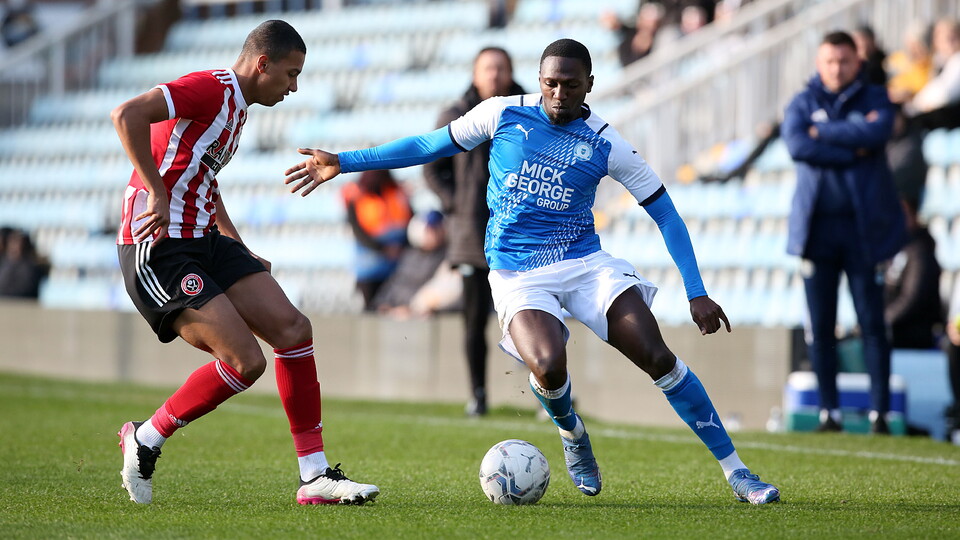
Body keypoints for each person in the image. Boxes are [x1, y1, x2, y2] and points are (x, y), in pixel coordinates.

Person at [286, 38, 780, 505]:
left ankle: (737, 471)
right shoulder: (502, 112)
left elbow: (666, 213)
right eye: (551, 83)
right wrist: (345, 161)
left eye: (570, 84)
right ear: (540, 80)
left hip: (584, 264)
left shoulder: (607, 142)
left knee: (656, 355)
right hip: (519, 272)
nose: (559, 93)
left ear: (590, 83)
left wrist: (697, 292)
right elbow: (428, 145)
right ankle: (571, 432)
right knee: (547, 363)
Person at [111, 20, 377, 506]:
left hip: (204, 237)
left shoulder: (236, 110)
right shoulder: (210, 89)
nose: (294, 87)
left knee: (294, 329)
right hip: (158, 244)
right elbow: (126, 114)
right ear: (263, 64)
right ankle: (146, 438)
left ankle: (315, 478)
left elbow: (205, 180)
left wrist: (238, 245)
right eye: (291, 74)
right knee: (244, 361)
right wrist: (155, 190)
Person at [782, 31, 906, 434]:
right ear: (819, 64)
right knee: (822, 325)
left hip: (864, 230)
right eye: (830, 61)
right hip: (817, 232)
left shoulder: (875, 98)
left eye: (844, 61)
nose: (837, 68)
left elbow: (877, 133)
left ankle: (880, 413)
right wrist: (853, 145)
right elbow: (799, 146)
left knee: (872, 321)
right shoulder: (802, 102)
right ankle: (828, 412)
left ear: (858, 63)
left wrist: (826, 134)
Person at [423, 46, 525, 416]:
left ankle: (546, 394)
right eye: (488, 68)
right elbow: (432, 169)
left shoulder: (527, 111)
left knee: (529, 315)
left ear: (511, 72)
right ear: (475, 72)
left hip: (518, 234)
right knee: (473, 321)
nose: (495, 74)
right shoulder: (456, 115)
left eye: (501, 67)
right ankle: (478, 394)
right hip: (471, 236)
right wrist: (456, 204)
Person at [341, 169, 412, 311]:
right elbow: (357, 231)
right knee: (371, 305)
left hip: (397, 259)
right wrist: (382, 248)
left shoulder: (397, 192)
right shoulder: (357, 197)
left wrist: (400, 246)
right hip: (370, 259)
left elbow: (410, 221)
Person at [372, 210, 461, 318]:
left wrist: (413, 308)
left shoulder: (450, 257)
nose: (436, 233)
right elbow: (395, 284)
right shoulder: (409, 256)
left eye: (438, 228)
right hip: (398, 314)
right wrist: (384, 304)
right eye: (431, 229)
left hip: (425, 317)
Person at [883, 198, 942, 349]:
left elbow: (912, 297)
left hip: (913, 333)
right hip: (893, 329)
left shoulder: (920, 250)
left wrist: (885, 319)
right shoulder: (893, 248)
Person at [905, 18, 960, 127]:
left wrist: (919, 103)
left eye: (953, 38)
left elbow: (946, 95)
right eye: (943, 39)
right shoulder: (937, 61)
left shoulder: (957, 61)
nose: (949, 43)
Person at [0, 228, 47, 298]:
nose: (15, 246)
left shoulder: (31, 267)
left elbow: (25, 290)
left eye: (18, 242)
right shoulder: (4, 262)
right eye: (13, 241)